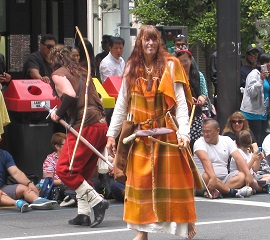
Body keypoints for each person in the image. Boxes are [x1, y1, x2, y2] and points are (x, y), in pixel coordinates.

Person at [106, 25, 198, 240]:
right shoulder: (131, 67)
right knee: (140, 186)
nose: (150, 43)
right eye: (146, 40)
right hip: (139, 135)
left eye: (153, 40)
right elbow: (121, 104)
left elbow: (181, 103)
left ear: (159, 43)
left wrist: (184, 133)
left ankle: (186, 225)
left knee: (177, 183)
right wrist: (112, 134)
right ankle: (142, 233)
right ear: (140, 43)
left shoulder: (171, 65)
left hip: (166, 133)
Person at [48, 45, 109, 228]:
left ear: (53, 61)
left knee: (64, 169)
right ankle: (83, 214)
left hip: (86, 125)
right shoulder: (83, 71)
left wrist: (58, 114)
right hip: (100, 124)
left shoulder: (58, 73)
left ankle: (97, 202)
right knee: (80, 171)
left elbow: (70, 94)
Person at [0, 127, 57, 212]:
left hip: (1, 187)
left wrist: (29, 183)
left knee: (23, 188)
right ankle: (17, 203)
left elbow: (15, 172)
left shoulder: (4, 154)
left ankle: (38, 201)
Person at [193, 118, 254, 198]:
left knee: (242, 176)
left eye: (208, 131)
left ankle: (219, 190)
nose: (205, 134)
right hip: (207, 178)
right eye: (203, 131)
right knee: (205, 176)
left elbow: (238, 158)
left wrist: (248, 174)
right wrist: (213, 177)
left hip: (225, 179)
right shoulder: (199, 143)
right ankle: (231, 192)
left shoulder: (227, 140)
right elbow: (205, 161)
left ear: (217, 130)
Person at [176, 49, 208, 149]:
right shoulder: (174, 77)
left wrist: (201, 97)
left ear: (191, 60)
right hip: (179, 118)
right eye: (180, 62)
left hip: (195, 116)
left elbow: (204, 93)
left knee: (195, 144)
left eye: (185, 61)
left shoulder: (199, 76)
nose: (183, 64)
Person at [240, 53, 270, 146]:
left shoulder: (269, 76)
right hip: (252, 114)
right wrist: (261, 80)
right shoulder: (254, 74)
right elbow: (251, 93)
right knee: (255, 141)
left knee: (262, 140)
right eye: (267, 62)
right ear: (260, 64)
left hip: (263, 114)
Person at [42, 132, 76, 206]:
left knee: (95, 182)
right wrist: (64, 181)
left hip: (75, 181)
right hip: (61, 184)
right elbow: (48, 180)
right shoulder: (50, 159)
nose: (69, 146)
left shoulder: (73, 156)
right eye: (65, 144)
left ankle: (75, 197)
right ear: (57, 146)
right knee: (65, 187)